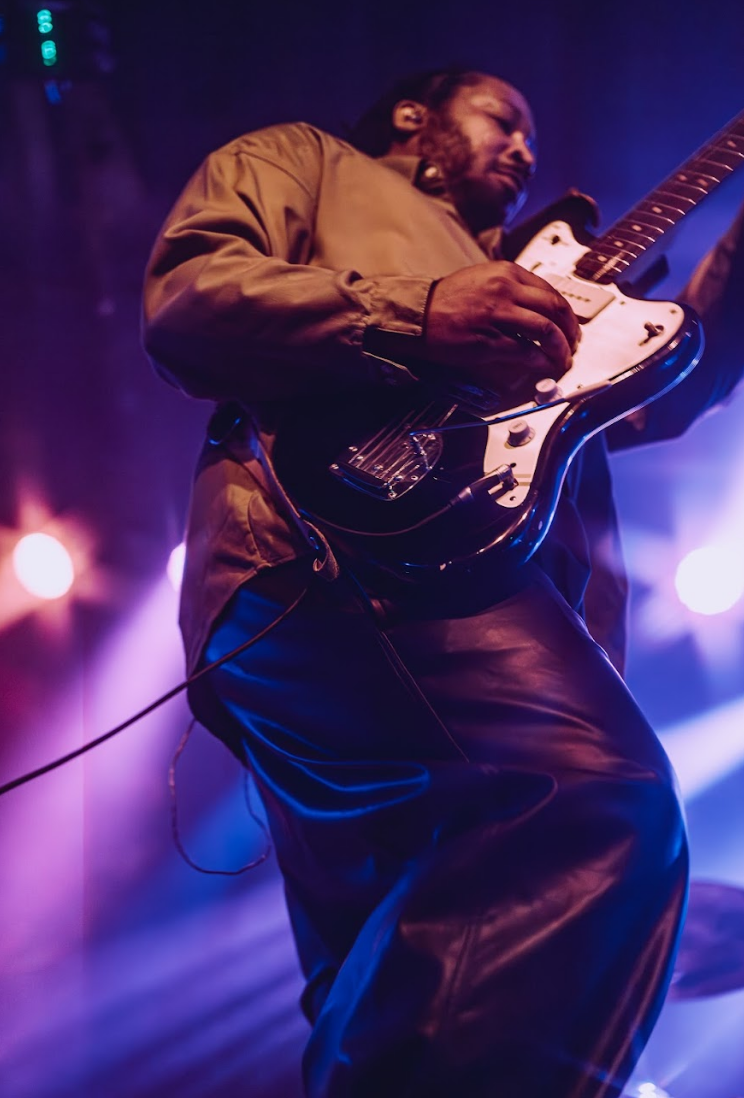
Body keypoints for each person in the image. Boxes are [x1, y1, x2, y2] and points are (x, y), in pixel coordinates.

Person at [142, 68, 744, 1098]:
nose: (525, 149)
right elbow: (190, 298)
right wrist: (418, 310)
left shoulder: (536, 281)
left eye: (532, 137)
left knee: (381, 960)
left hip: (474, 584)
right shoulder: (305, 159)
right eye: (503, 119)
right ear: (415, 117)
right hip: (337, 552)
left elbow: (661, 393)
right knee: (593, 802)